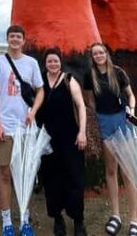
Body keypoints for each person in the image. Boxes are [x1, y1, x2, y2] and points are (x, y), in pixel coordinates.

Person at [0, 25, 44, 236]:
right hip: (6, 127)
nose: (15, 40)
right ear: (7, 39)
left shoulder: (32, 63)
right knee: (4, 172)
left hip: (27, 128)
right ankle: (6, 221)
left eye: (18, 37)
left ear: (23, 40)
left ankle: (25, 219)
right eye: (11, 36)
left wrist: (33, 112)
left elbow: (40, 90)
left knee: (26, 174)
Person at [85, 42, 137, 236]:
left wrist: (131, 111)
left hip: (121, 119)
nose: (98, 55)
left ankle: (134, 219)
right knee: (111, 170)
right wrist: (94, 117)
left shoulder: (118, 72)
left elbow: (130, 95)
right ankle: (115, 215)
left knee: (127, 171)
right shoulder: (89, 75)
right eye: (95, 53)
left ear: (106, 54)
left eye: (101, 52)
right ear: (92, 57)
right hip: (104, 121)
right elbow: (90, 99)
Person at [36, 48, 87, 236]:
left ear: (61, 62)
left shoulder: (69, 80)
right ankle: (57, 219)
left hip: (71, 137)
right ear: (45, 63)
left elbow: (81, 106)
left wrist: (82, 132)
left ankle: (78, 220)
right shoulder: (40, 81)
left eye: (56, 61)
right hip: (48, 140)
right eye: (49, 61)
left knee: (75, 179)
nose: (53, 64)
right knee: (52, 180)